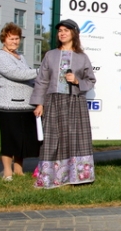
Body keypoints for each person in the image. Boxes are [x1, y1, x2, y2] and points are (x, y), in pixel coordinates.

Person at [30, 19, 96, 189]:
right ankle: (51, 177)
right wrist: (39, 103)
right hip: (54, 101)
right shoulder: (50, 55)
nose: (62, 33)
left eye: (66, 30)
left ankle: (78, 176)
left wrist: (77, 81)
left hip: (75, 102)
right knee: (53, 139)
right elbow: (42, 80)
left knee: (76, 138)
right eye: (60, 31)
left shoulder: (82, 57)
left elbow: (91, 80)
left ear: (74, 33)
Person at [0, 23, 41, 181]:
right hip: (8, 106)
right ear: (4, 39)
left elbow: (27, 75)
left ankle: (19, 170)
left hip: (25, 105)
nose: (14, 41)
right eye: (11, 38)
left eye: (17, 38)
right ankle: (7, 172)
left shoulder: (21, 56)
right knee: (9, 140)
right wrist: (41, 71)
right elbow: (16, 74)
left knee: (22, 140)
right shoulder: (1, 56)